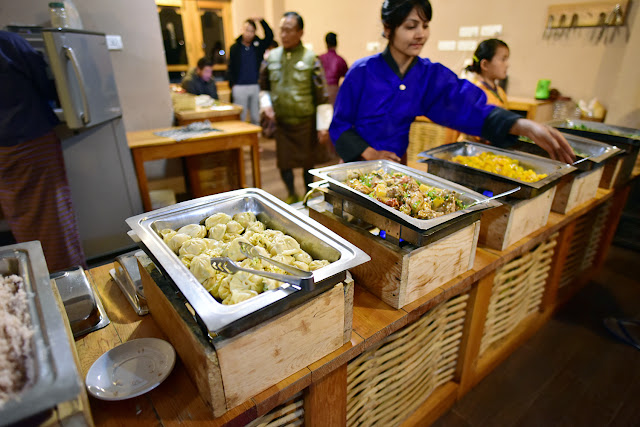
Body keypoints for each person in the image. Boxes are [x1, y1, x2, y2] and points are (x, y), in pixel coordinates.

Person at [330, 0, 575, 165]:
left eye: (425, 26)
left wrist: (523, 126)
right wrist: (372, 154)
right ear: (388, 29)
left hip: (394, 164)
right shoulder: (361, 72)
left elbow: (466, 106)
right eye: (411, 26)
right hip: (356, 163)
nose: (421, 34)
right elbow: (340, 126)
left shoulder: (428, 75)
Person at [0, 30, 86, 272]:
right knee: (54, 219)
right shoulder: (8, 43)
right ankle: (69, 283)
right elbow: (47, 83)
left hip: (4, 152)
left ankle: (40, 279)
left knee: (23, 219)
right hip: (31, 141)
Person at [259, 12, 333, 204]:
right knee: (284, 164)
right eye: (282, 30)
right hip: (282, 123)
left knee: (308, 165)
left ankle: (308, 197)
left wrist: (323, 126)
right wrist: (266, 106)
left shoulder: (310, 58)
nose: (284, 34)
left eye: (289, 30)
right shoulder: (271, 57)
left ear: (300, 32)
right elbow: (264, 86)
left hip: (305, 123)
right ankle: (292, 193)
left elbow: (322, 95)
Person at [228, 18, 274, 124]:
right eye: (247, 30)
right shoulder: (235, 47)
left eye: (252, 31)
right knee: (241, 117)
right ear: (242, 30)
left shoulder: (258, 46)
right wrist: (232, 85)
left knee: (255, 116)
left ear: (255, 32)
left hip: (255, 86)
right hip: (239, 86)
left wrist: (262, 21)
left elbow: (270, 36)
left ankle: (255, 139)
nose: (249, 33)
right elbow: (230, 67)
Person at [466, 38, 510, 108]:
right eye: (503, 59)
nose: (507, 65)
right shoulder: (474, 92)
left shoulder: (500, 92)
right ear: (485, 64)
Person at [319, 32, 349, 105]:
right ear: (336, 43)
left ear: (326, 43)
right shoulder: (340, 60)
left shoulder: (319, 59)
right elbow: (348, 78)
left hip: (321, 92)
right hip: (335, 93)